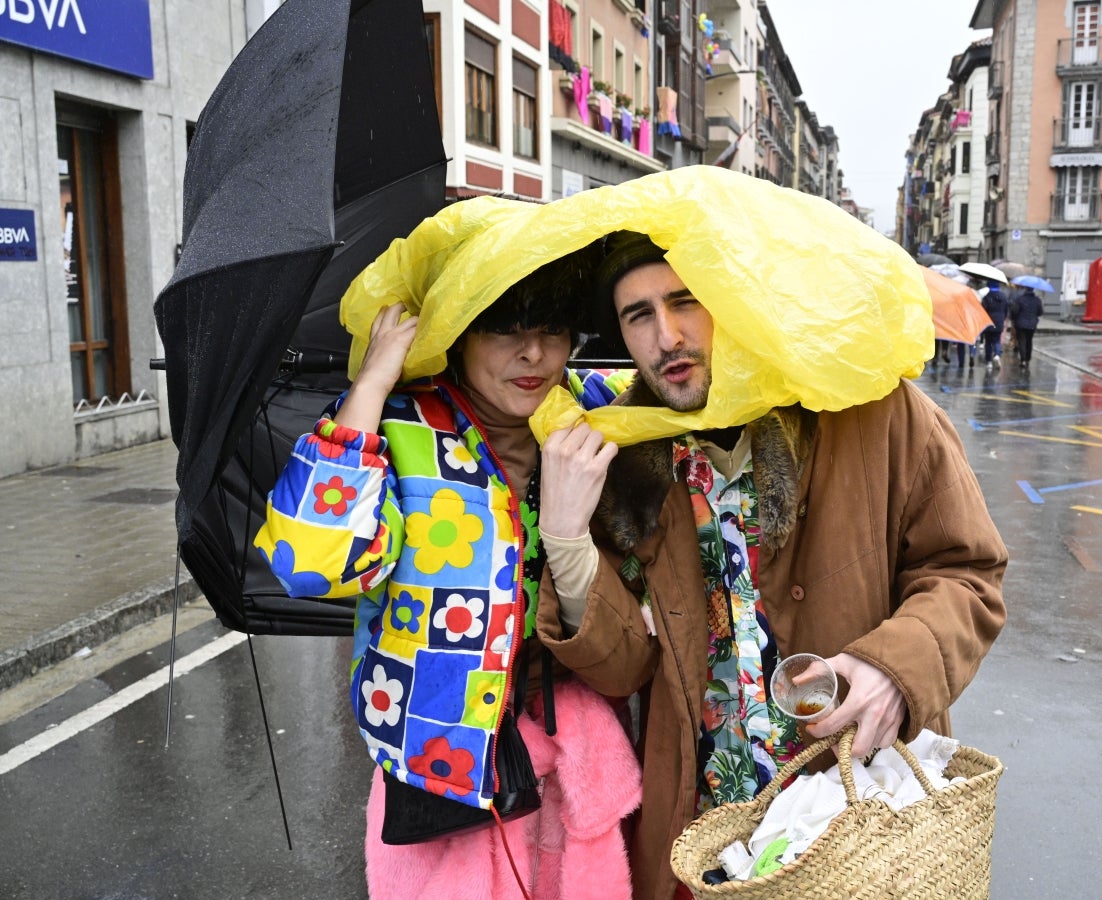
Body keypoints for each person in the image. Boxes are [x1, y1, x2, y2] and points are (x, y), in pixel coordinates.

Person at [534, 232, 1009, 900]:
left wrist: (893, 671)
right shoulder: (626, 460)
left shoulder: (869, 408)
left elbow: (967, 572)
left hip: (862, 820)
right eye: (637, 314)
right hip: (712, 839)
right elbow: (624, 665)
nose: (665, 336)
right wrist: (564, 536)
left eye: (686, 300)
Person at [253, 254, 641, 898]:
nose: (535, 355)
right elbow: (310, 564)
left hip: (575, 751)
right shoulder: (401, 428)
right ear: (459, 337)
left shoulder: (595, 412)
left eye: (553, 329)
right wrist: (373, 382)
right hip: (437, 764)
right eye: (504, 330)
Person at [1009, 281, 1044, 367]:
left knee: (1022, 341)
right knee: (1029, 341)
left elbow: (1014, 311)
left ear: (1025, 289)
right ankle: (1028, 358)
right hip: (1032, 324)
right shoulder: (1037, 300)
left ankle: (1023, 360)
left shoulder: (1020, 299)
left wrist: (1013, 318)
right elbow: (1040, 312)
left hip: (1021, 324)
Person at [980, 279, 1009, 368]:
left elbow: (983, 310)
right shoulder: (1003, 297)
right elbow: (1006, 310)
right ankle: (997, 354)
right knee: (997, 340)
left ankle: (988, 361)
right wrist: (1003, 319)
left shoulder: (987, 297)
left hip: (988, 321)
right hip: (999, 321)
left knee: (988, 342)